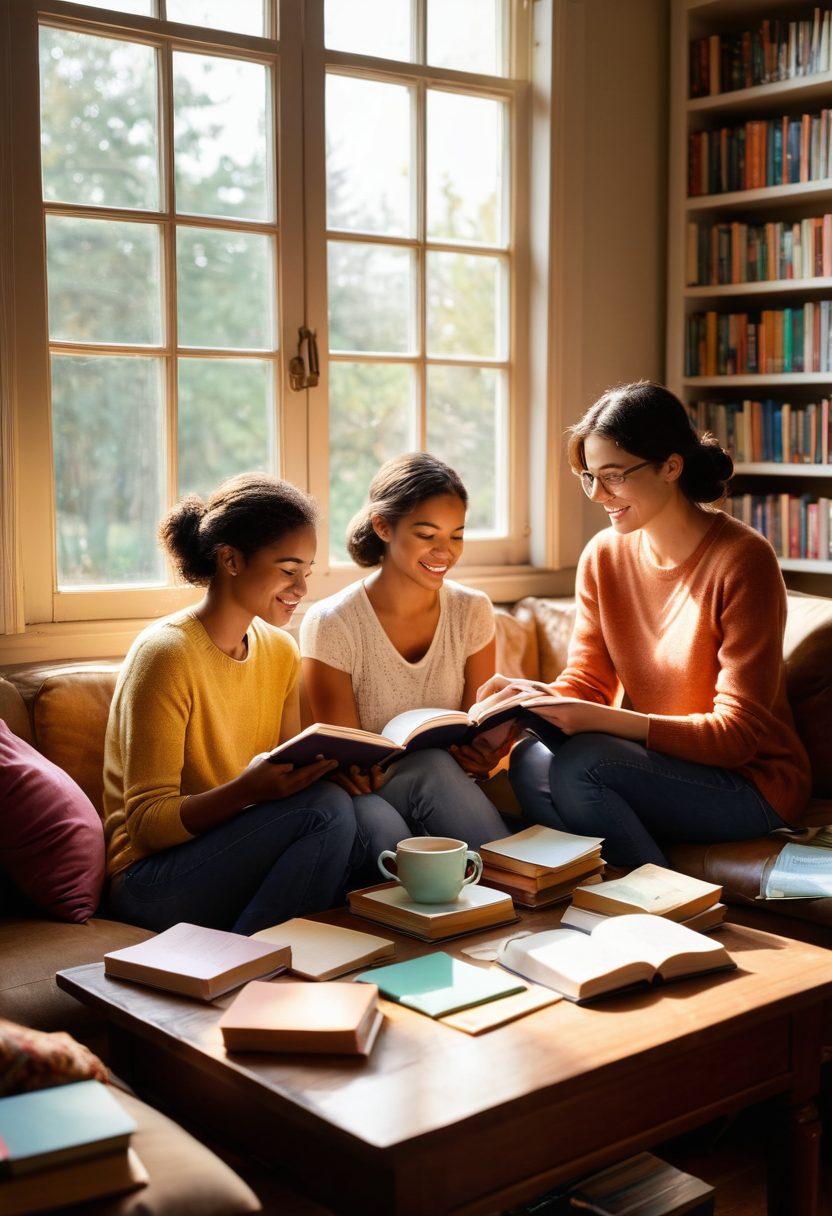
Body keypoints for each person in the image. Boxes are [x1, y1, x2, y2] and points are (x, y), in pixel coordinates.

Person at [479, 381, 811, 868]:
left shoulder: (743, 560)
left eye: (613, 476)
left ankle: (658, 911)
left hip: (751, 783)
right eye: (589, 477)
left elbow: (735, 736)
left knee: (585, 766)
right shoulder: (603, 556)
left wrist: (607, 721)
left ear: (670, 467)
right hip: (668, 768)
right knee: (531, 759)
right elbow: (589, 682)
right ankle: (601, 898)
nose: (598, 495)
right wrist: (532, 701)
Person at [104, 473, 364, 936]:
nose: (301, 588)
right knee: (325, 811)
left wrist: (334, 767)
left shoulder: (281, 651)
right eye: (288, 570)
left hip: (229, 848)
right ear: (231, 560)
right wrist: (248, 790)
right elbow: (147, 825)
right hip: (148, 879)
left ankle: (277, 961)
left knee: (350, 810)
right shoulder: (166, 654)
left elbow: (286, 773)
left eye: (306, 571)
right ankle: (261, 966)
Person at [300, 452, 510, 851]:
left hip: (447, 791)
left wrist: (483, 756)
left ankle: (513, 886)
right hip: (368, 796)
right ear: (383, 526)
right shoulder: (332, 622)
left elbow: (474, 728)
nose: (444, 552)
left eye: (457, 535)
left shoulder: (473, 610)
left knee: (438, 767)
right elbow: (350, 764)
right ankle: (518, 878)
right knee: (401, 798)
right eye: (427, 535)